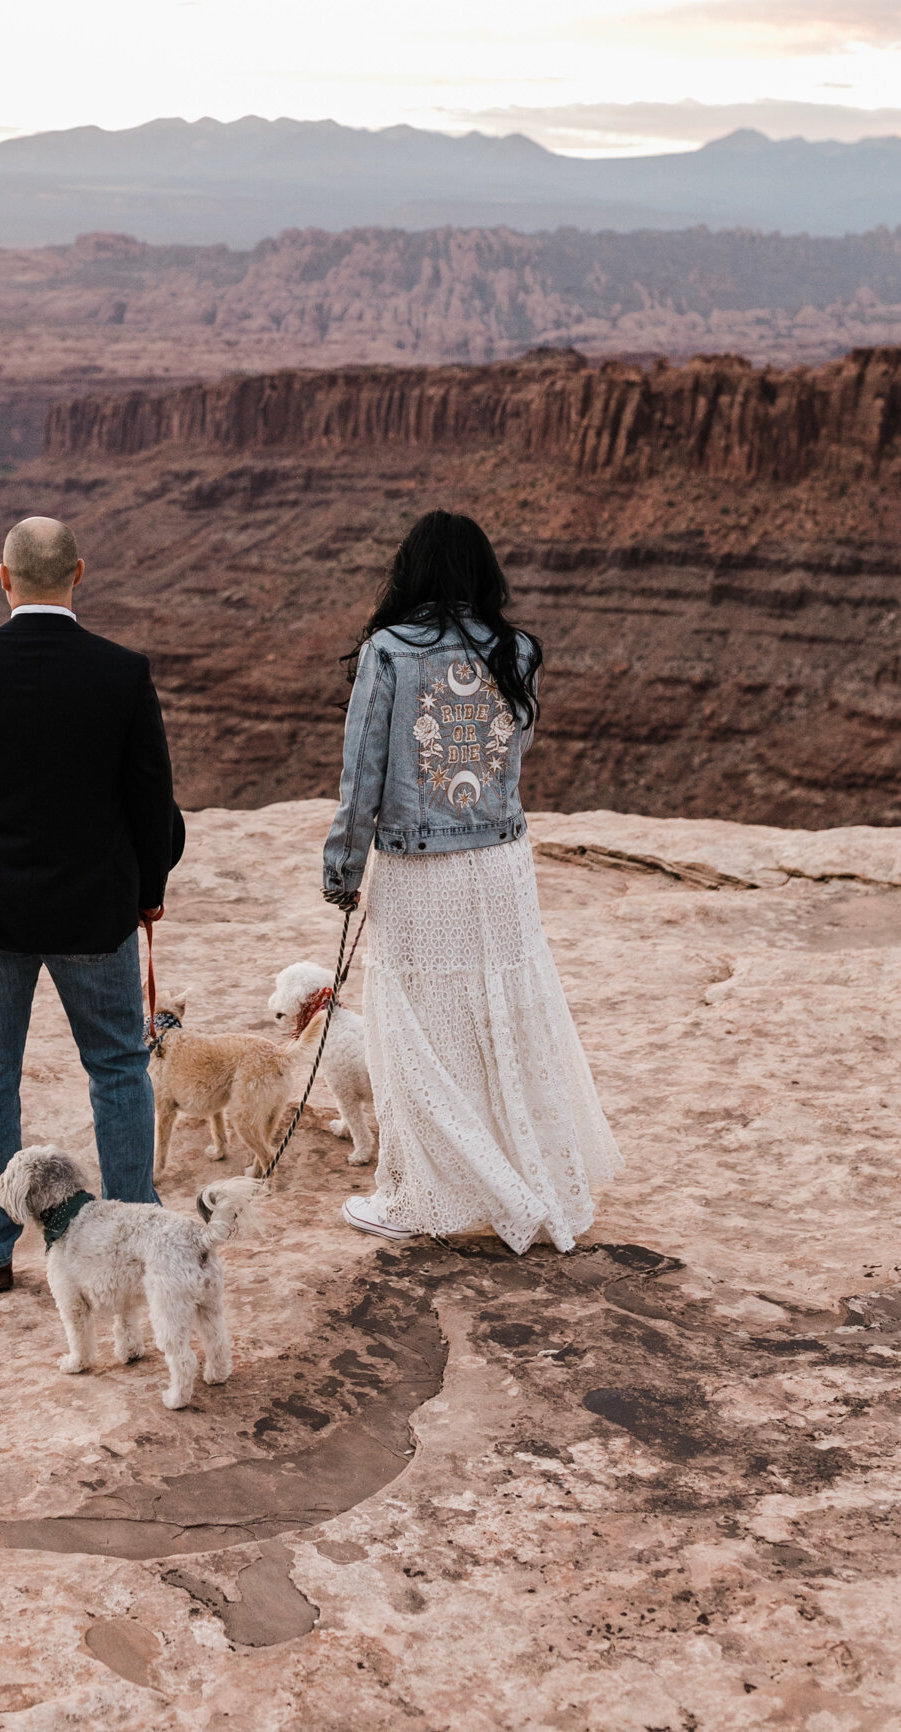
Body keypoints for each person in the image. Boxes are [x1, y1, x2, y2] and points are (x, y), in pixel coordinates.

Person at [323, 509, 621, 1249]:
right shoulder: (517, 650)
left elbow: (362, 772)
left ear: (411, 571)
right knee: (505, 1015)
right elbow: (506, 759)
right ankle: (528, 1177)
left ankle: (414, 1195)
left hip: (421, 871)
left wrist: (343, 866)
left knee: (418, 1026)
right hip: (501, 864)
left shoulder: (388, 651)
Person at [0, 515, 180, 1293]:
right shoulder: (120, 672)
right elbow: (151, 796)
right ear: (78, 574)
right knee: (119, 1068)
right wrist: (148, 892)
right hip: (95, 911)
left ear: (3, 578)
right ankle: (132, 1236)